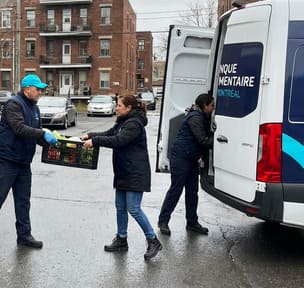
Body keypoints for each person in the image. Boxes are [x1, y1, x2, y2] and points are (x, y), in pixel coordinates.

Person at [0, 74, 58, 251]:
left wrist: (50, 141)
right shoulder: (13, 104)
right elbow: (19, 128)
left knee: (23, 201)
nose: (40, 93)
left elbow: (35, 133)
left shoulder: (34, 109)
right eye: (38, 89)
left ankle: (24, 235)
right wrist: (42, 133)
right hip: (7, 160)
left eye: (41, 90)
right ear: (27, 88)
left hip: (23, 162)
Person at [82, 94, 163, 261]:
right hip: (123, 172)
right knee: (120, 207)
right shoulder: (123, 121)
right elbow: (109, 133)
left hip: (135, 173)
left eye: (119, 105)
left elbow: (119, 140)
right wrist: (90, 135)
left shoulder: (134, 124)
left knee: (133, 208)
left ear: (129, 108)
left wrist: (95, 141)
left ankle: (153, 240)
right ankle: (121, 240)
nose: (116, 108)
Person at [157, 93, 215, 236]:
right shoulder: (195, 117)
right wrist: (220, 137)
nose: (213, 108)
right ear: (205, 105)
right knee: (175, 190)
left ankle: (192, 223)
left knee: (192, 192)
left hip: (191, 158)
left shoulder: (201, 115)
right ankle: (163, 221)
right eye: (212, 105)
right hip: (181, 158)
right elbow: (203, 140)